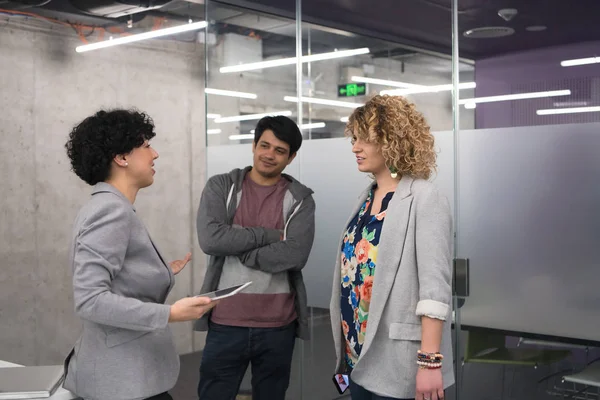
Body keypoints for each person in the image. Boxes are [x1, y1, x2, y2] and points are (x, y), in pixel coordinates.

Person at [63, 109, 216, 400]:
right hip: (120, 382)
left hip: (125, 379)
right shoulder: (110, 211)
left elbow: (112, 278)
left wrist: (157, 271)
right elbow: (90, 300)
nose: (155, 154)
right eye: (145, 146)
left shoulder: (107, 206)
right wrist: (170, 313)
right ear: (121, 158)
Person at [329, 95, 454, 400]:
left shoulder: (425, 197)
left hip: (400, 360)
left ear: (392, 141)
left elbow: (434, 290)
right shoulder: (365, 198)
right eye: (354, 139)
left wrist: (429, 364)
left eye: (365, 140)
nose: (355, 148)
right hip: (357, 354)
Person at [194, 115, 316, 400]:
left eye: (280, 150)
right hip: (226, 321)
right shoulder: (222, 187)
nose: (269, 155)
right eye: (265, 145)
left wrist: (237, 243)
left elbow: (296, 254)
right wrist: (270, 236)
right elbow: (211, 240)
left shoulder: (299, 199)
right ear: (253, 145)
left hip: (278, 325)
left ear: (291, 157)